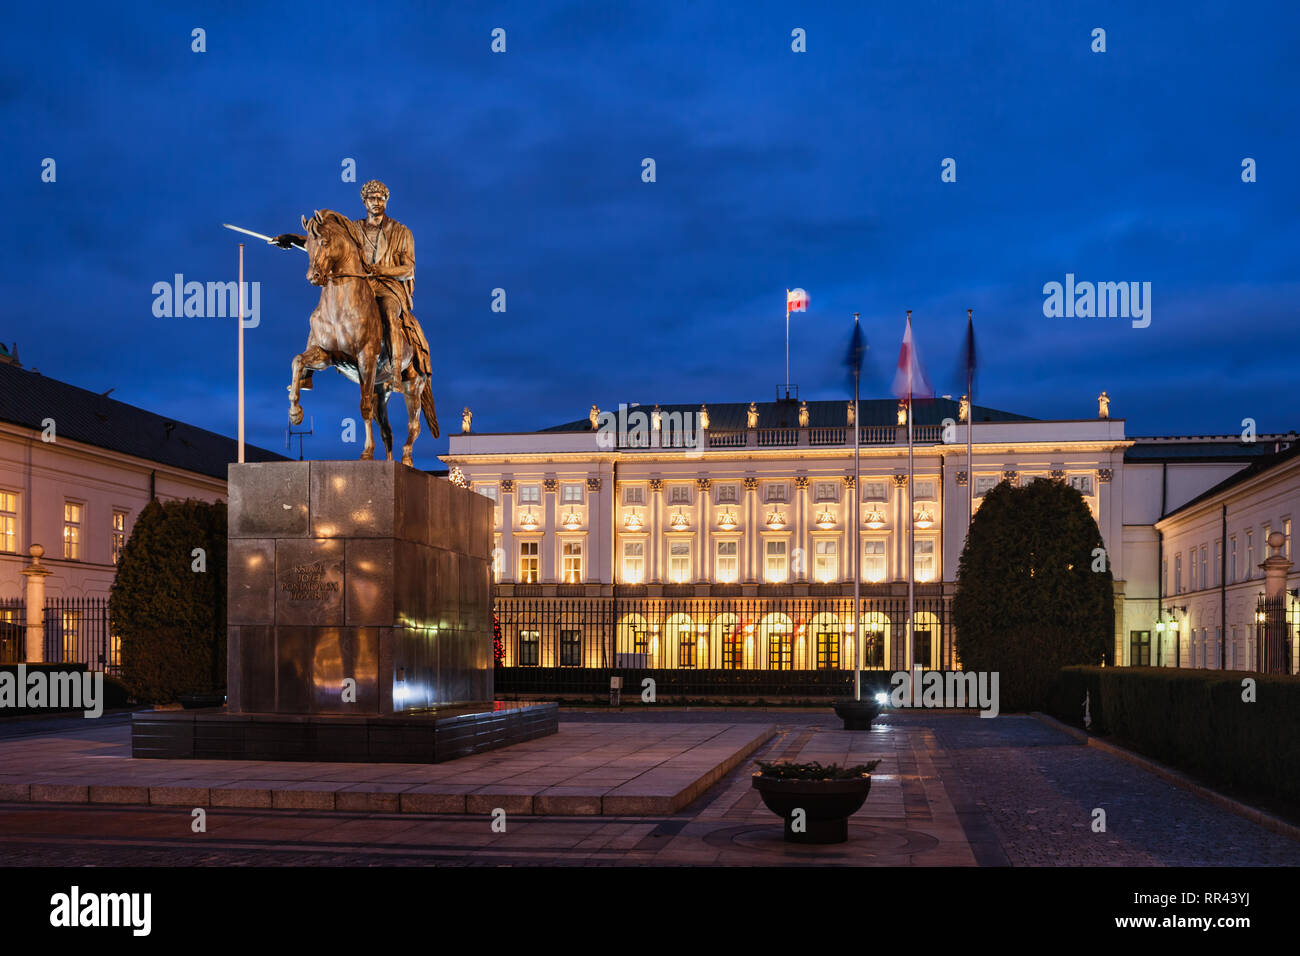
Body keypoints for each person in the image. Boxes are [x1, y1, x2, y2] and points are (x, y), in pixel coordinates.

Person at [273, 180, 431, 387]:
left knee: (389, 312)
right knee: (322, 313)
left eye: (380, 198)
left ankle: (395, 373)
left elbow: (408, 269)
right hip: (358, 285)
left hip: (387, 287)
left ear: (386, 201)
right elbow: (324, 242)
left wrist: (382, 270)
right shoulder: (353, 229)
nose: (376, 202)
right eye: (371, 198)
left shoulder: (402, 232)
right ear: (364, 201)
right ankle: (307, 374)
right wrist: (293, 240)